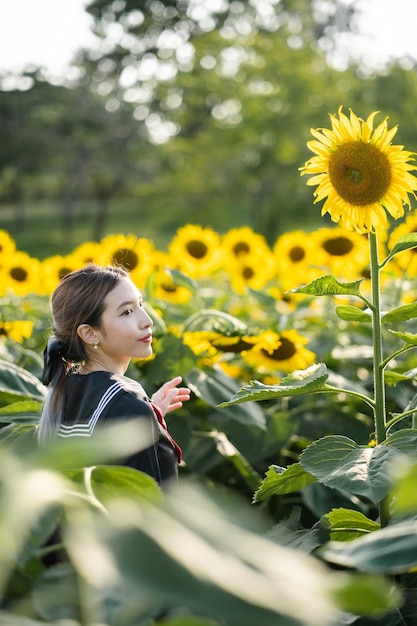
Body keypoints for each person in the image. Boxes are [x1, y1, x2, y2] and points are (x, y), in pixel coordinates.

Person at [38, 263, 190, 488]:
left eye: (140, 304)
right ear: (89, 333)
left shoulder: (67, 387)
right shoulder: (126, 406)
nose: (147, 320)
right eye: (127, 311)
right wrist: (138, 414)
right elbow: (149, 511)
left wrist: (150, 417)